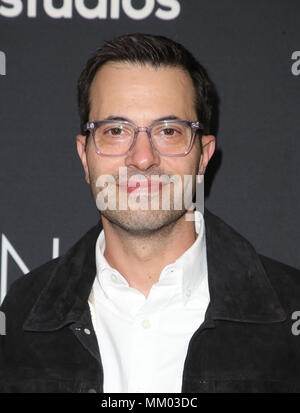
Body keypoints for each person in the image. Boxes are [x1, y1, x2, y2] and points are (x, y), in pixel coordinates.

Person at [0, 33, 300, 394]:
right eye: (115, 131)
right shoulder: (20, 319)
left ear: (202, 156)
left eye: (169, 131)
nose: (142, 158)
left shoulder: (290, 312)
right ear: (85, 156)